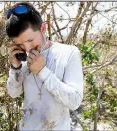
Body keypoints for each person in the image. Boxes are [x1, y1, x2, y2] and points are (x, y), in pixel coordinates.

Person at [5, 2, 83, 130]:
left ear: (43, 28)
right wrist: (15, 67)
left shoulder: (69, 53)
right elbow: (13, 93)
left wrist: (42, 72)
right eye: (20, 44)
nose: (27, 48)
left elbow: (74, 101)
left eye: (30, 40)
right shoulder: (22, 57)